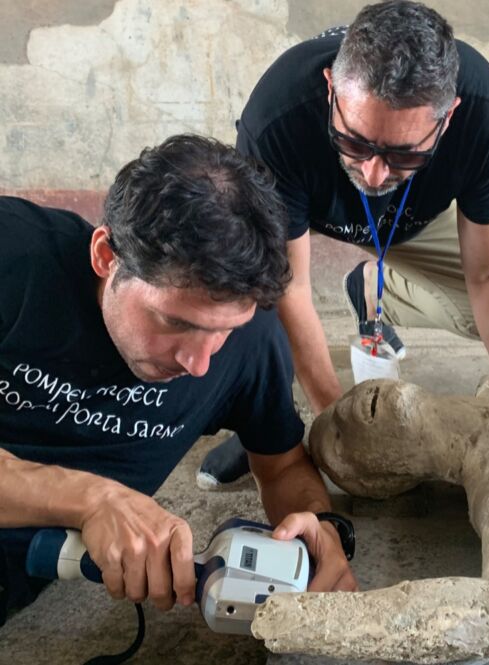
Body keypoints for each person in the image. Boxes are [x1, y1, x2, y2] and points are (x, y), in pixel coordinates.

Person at [0, 134, 356, 629]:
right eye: (177, 323)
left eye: (223, 331)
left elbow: (281, 468)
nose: (199, 363)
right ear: (107, 255)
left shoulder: (252, 345)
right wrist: (91, 499)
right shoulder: (13, 258)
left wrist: (319, 526)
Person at [199, 0, 489, 487]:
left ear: (448, 118)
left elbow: (487, 272)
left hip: (411, 221)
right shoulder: (279, 117)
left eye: (404, 153)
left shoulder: (488, 117)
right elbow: (288, 288)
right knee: (243, 298)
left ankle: (373, 288)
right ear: (331, 90)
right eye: (356, 143)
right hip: (304, 206)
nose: (375, 172)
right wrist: (338, 430)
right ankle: (268, 424)